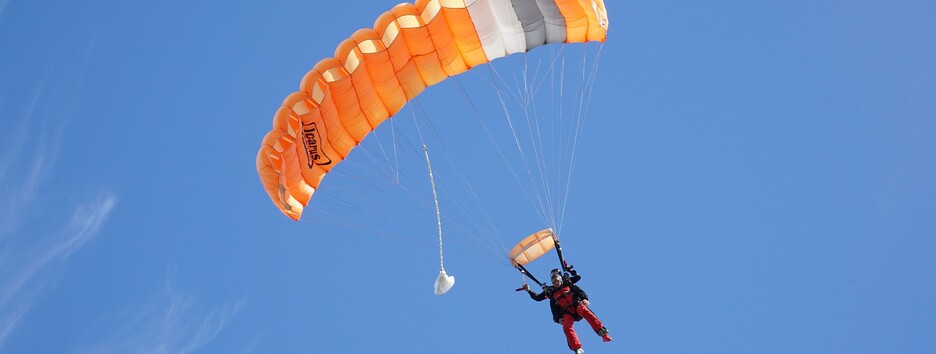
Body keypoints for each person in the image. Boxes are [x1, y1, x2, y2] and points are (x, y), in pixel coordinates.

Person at [522, 267, 611, 354]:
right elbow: (538, 298)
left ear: (561, 279)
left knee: (584, 310)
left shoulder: (569, 284)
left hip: (577, 306)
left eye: (557, 280)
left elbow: (578, 279)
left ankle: (601, 331)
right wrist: (529, 290)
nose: (556, 283)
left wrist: (584, 298)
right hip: (567, 313)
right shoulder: (551, 292)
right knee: (566, 327)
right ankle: (577, 348)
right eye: (554, 282)